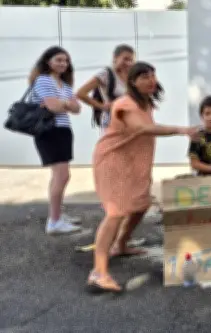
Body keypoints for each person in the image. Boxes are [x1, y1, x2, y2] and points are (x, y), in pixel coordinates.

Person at [88, 62, 199, 293]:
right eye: (143, 76)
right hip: (113, 160)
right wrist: (181, 130)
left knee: (140, 205)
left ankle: (120, 245)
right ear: (132, 81)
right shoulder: (125, 104)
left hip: (133, 161)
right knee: (116, 212)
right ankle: (99, 271)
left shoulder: (146, 103)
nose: (150, 80)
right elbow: (144, 128)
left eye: (152, 75)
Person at [28, 46, 82, 235]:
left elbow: (77, 109)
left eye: (66, 61)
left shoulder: (65, 85)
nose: (63, 64)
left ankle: (57, 215)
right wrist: (66, 104)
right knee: (62, 176)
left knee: (58, 176)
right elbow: (53, 106)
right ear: (48, 61)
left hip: (63, 130)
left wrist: (64, 105)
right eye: (59, 59)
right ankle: (55, 222)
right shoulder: (43, 80)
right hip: (49, 131)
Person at [76, 44, 135, 131]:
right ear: (115, 58)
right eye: (125, 59)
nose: (129, 63)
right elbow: (81, 93)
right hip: (112, 121)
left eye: (131, 60)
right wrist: (101, 106)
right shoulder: (106, 74)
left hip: (130, 120)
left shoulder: (132, 76)